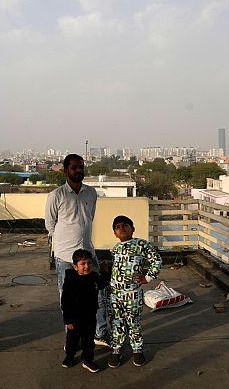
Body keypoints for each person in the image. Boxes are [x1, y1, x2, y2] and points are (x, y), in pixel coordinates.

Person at [45, 153, 108, 345]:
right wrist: (66, 241)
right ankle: (72, 338)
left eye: (81, 166)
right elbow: (50, 225)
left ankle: (100, 333)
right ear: (66, 171)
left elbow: (90, 218)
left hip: (88, 253)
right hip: (65, 257)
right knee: (69, 299)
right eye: (74, 167)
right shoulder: (56, 195)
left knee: (97, 294)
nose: (78, 170)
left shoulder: (91, 193)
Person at [107, 215, 163, 368]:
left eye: (125, 225)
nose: (122, 228)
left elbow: (156, 260)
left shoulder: (141, 244)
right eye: (117, 227)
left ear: (133, 229)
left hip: (133, 293)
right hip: (114, 295)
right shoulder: (115, 248)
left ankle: (137, 350)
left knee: (134, 322)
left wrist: (148, 278)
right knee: (116, 323)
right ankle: (116, 350)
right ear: (115, 233)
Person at [61, 249, 110, 373]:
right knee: (72, 339)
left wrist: (104, 272)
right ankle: (69, 357)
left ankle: (88, 360)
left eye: (89, 263)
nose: (86, 266)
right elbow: (65, 301)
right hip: (74, 318)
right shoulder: (71, 280)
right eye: (83, 264)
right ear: (75, 266)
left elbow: (102, 284)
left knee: (88, 340)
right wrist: (68, 320)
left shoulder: (93, 277)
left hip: (89, 316)